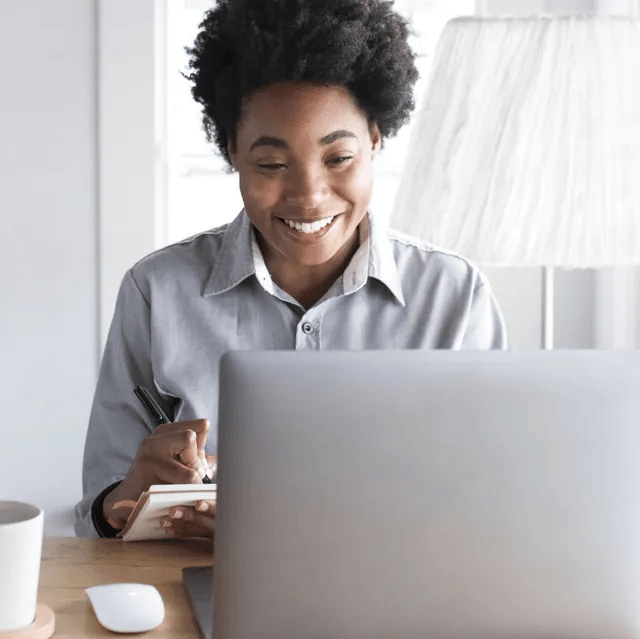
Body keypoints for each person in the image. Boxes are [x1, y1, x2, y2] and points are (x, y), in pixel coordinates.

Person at [74, 0, 507, 539]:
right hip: (202, 585)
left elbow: (491, 503)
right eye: (272, 165)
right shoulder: (156, 292)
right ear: (232, 150)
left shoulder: (455, 297)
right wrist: (130, 493)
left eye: (339, 158)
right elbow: (97, 515)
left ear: (375, 139)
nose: (308, 196)